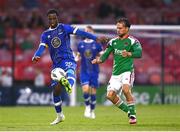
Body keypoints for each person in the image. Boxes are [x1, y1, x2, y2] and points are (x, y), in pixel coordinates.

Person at [32, 9, 105, 125]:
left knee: (70, 71)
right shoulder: (45, 34)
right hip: (56, 64)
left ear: (57, 18)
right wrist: (36, 55)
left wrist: (95, 38)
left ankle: (69, 84)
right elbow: (41, 47)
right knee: (55, 92)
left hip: (68, 58)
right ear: (48, 19)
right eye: (50, 18)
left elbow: (81, 33)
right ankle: (60, 115)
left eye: (54, 18)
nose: (52, 20)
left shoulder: (64, 28)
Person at [92, 17, 142, 124]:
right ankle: (129, 111)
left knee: (125, 90)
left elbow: (139, 53)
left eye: (120, 28)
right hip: (115, 74)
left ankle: (133, 116)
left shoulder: (133, 41)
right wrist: (98, 60)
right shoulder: (113, 42)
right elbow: (104, 56)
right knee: (110, 95)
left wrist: (129, 54)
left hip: (127, 71)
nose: (118, 30)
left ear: (127, 29)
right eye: (117, 28)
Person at [76, 26, 103, 119]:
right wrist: (76, 58)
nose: (87, 33)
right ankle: (87, 107)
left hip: (94, 71)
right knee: (86, 89)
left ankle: (92, 110)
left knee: (93, 92)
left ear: (92, 33)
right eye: (86, 31)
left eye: (89, 31)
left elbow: (101, 56)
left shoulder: (97, 44)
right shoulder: (80, 44)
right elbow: (78, 55)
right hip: (84, 71)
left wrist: (100, 58)